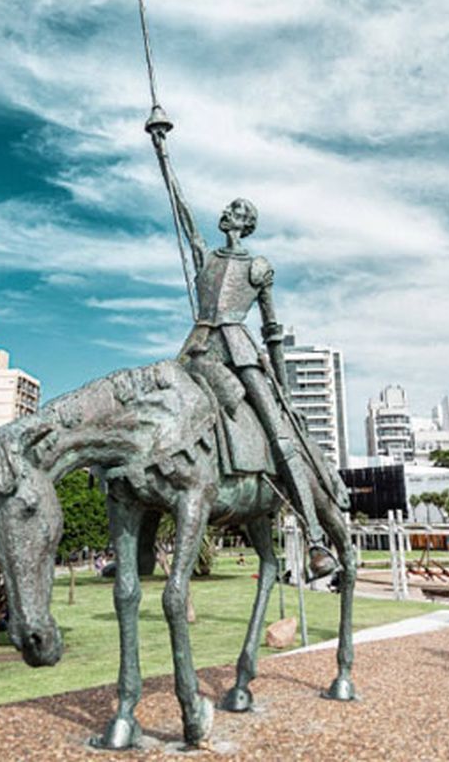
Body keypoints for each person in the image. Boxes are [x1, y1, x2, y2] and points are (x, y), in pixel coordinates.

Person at [148, 113, 343, 580]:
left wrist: (283, 386)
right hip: (197, 346)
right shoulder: (204, 254)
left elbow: (272, 327)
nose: (227, 213)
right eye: (228, 208)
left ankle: (316, 539)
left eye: (236, 210)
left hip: (240, 349)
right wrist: (163, 154)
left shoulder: (258, 267)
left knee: (279, 433)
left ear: (246, 223)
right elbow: (182, 212)